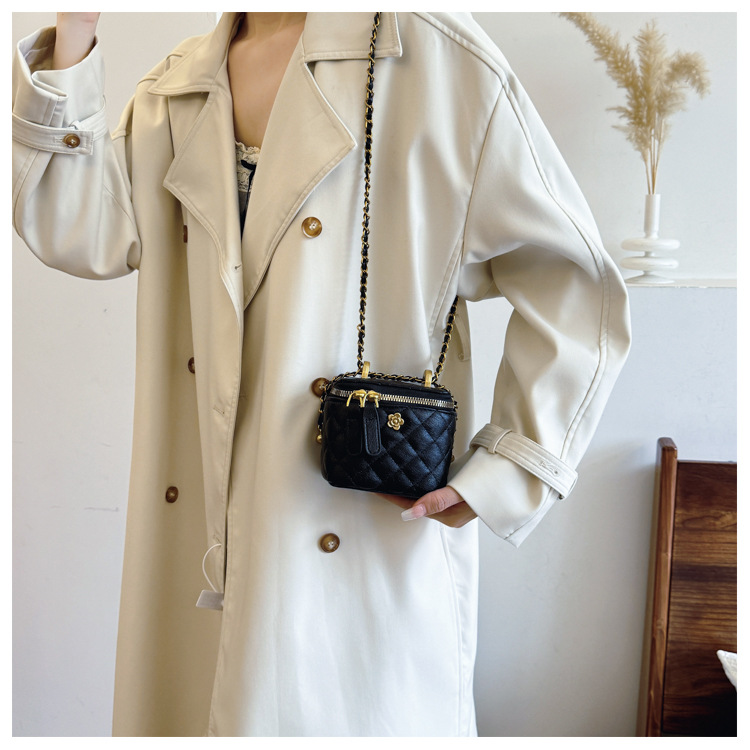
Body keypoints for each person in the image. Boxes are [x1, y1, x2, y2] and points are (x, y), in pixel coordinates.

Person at [12, 12, 631, 737]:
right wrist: (74, 31)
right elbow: (77, 228)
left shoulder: (430, 50)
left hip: (360, 533)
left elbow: (574, 283)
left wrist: (509, 467)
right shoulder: (176, 86)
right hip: (205, 540)